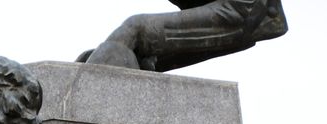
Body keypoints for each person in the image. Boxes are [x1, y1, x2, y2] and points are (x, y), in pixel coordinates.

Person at [83, 0, 287, 72]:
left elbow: (242, 13)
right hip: (240, 12)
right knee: (121, 48)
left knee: (133, 32)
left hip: (244, 11)